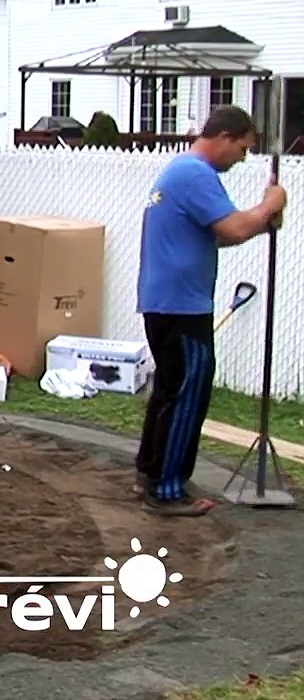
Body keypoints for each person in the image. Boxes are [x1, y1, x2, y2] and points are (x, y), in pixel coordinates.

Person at [134, 105, 287, 517]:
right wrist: (269, 204)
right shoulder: (195, 173)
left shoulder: (181, 171)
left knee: (170, 389)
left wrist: (263, 220)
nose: (242, 159)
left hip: (168, 301)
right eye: (242, 148)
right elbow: (235, 226)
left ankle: (152, 473)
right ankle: (167, 489)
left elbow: (221, 234)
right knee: (187, 394)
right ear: (224, 137)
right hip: (182, 306)